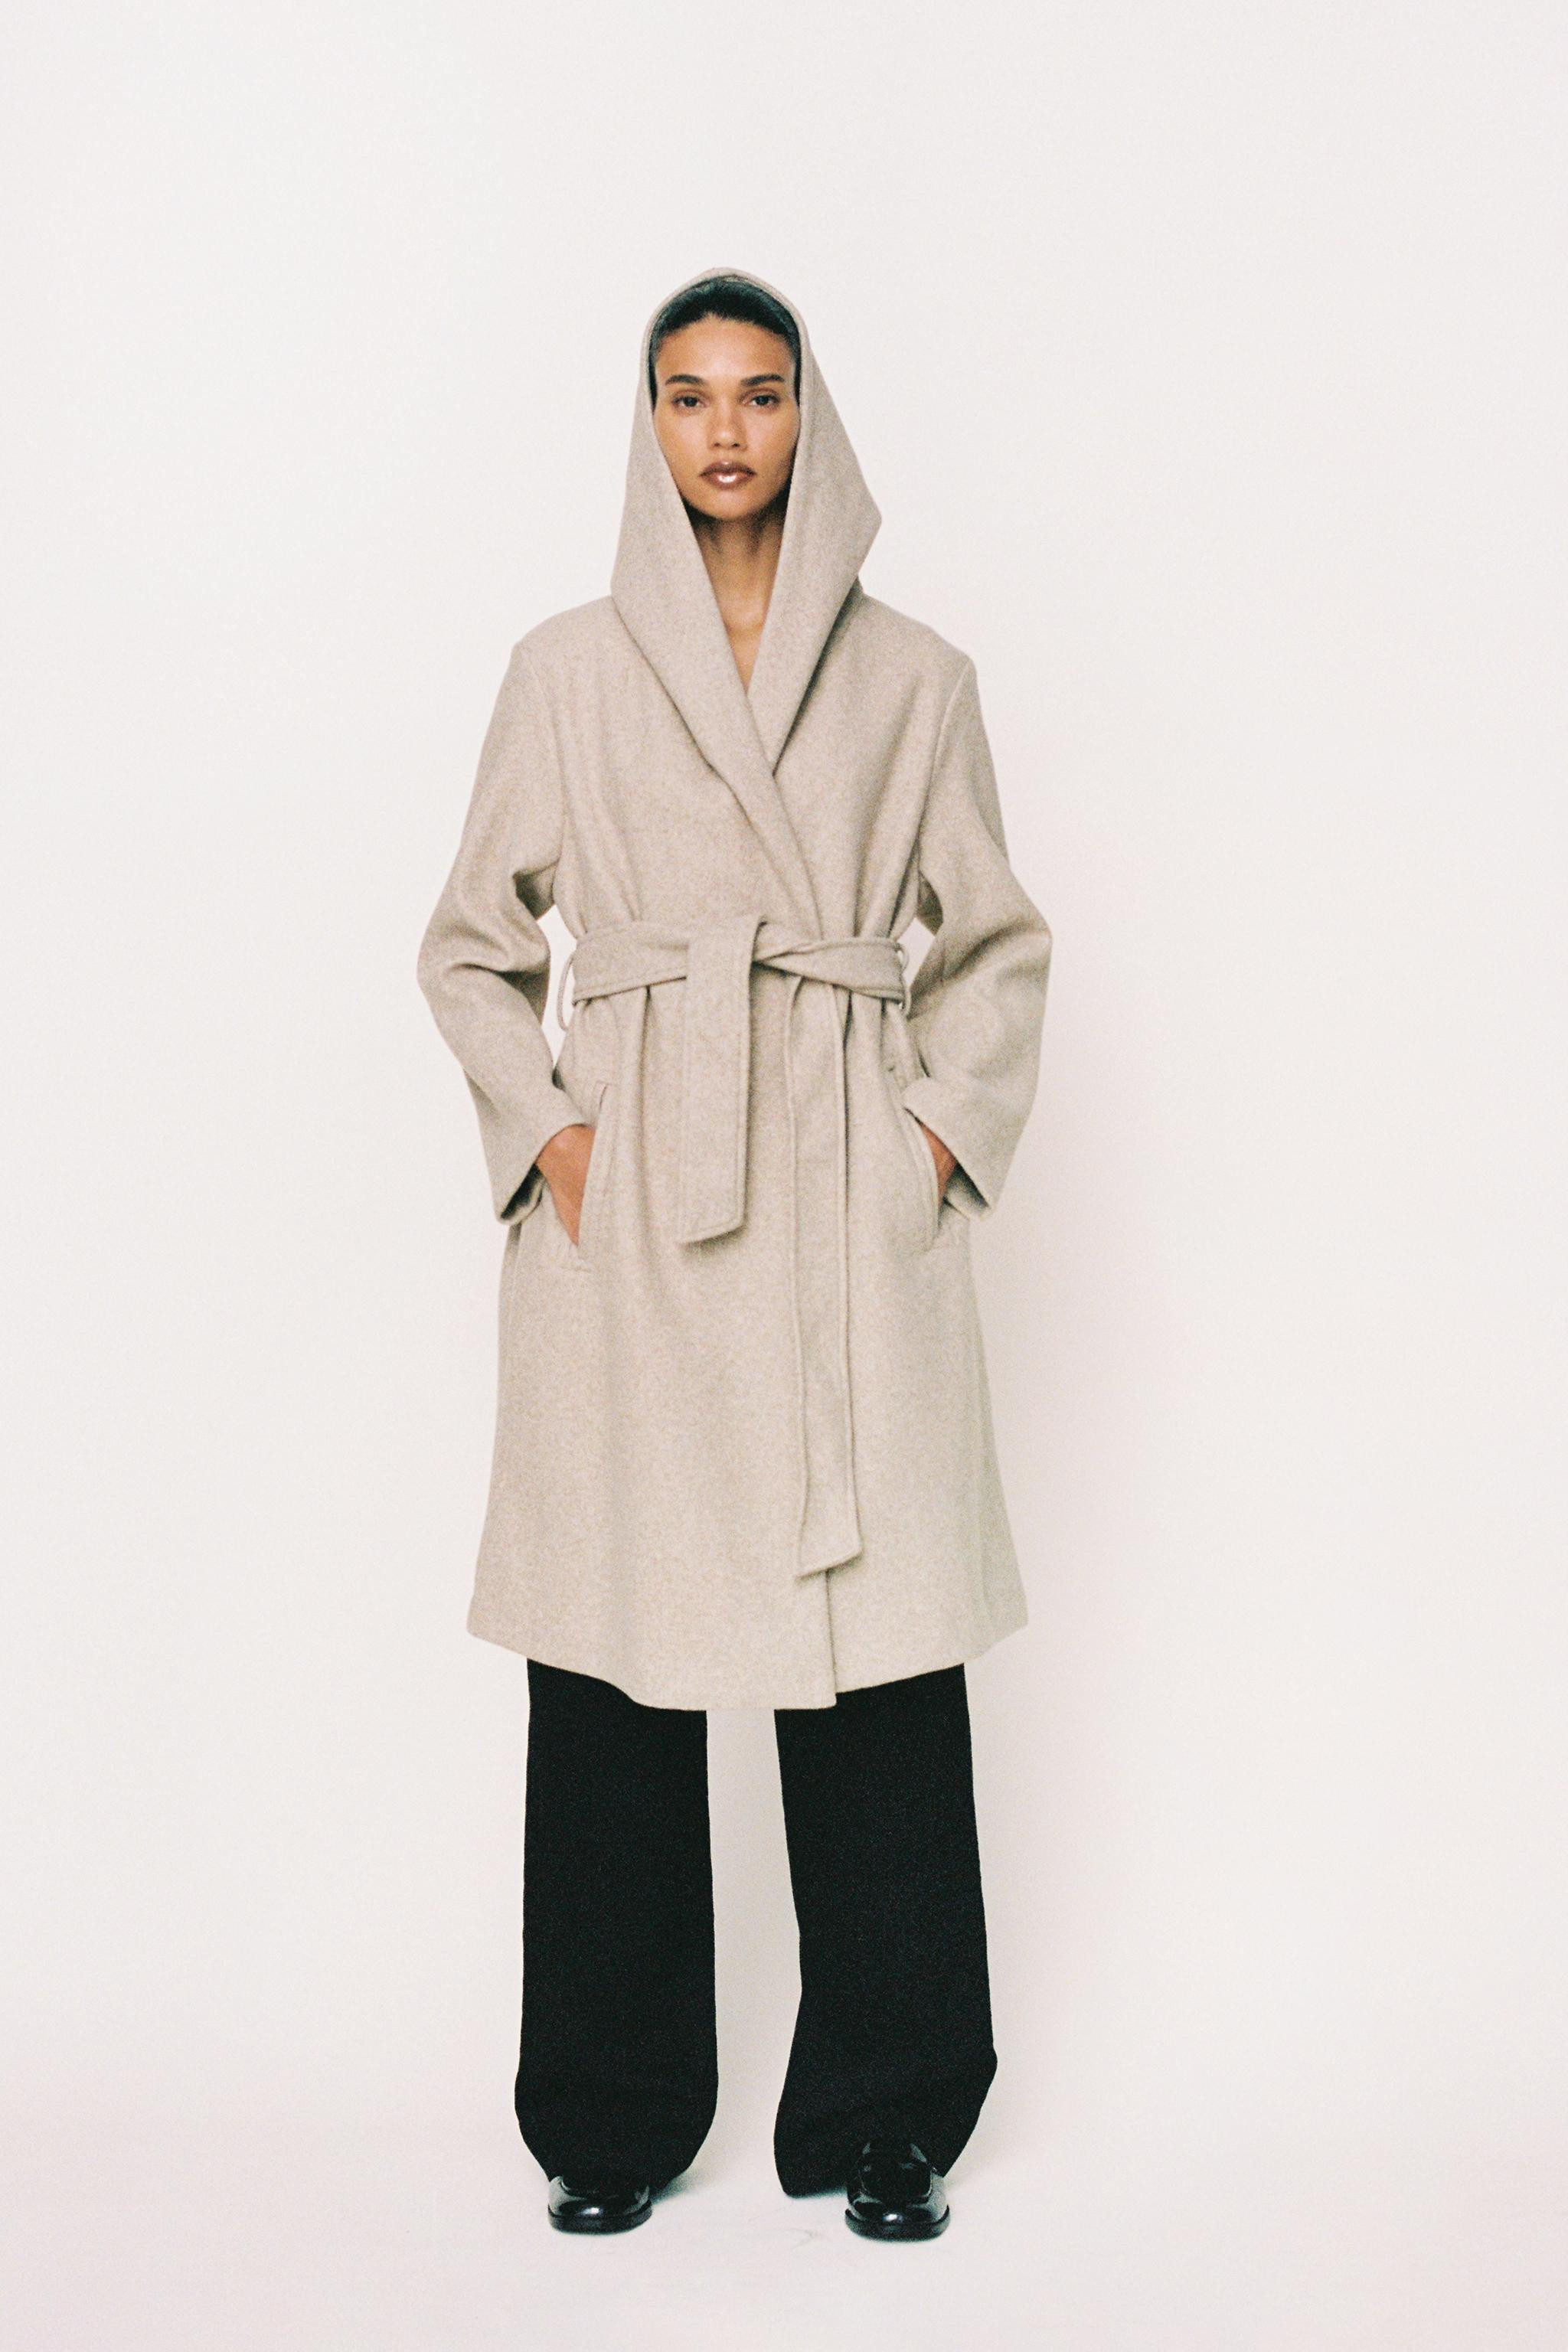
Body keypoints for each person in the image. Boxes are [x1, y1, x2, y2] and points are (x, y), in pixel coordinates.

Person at [416, 266, 1052, 2241]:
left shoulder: (917, 677)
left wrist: (931, 1141)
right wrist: (552, 1136)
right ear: (648, 423)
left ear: (808, 418)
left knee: (877, 1660)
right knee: (616, 1656)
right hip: (639, 1219)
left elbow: (996, 945)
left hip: (844, 1195)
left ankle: (892, 2113)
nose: (724, 430)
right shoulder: (565, 672)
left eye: (758, 394)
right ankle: (608, 2120)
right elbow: (471, 945)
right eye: (687, 396)